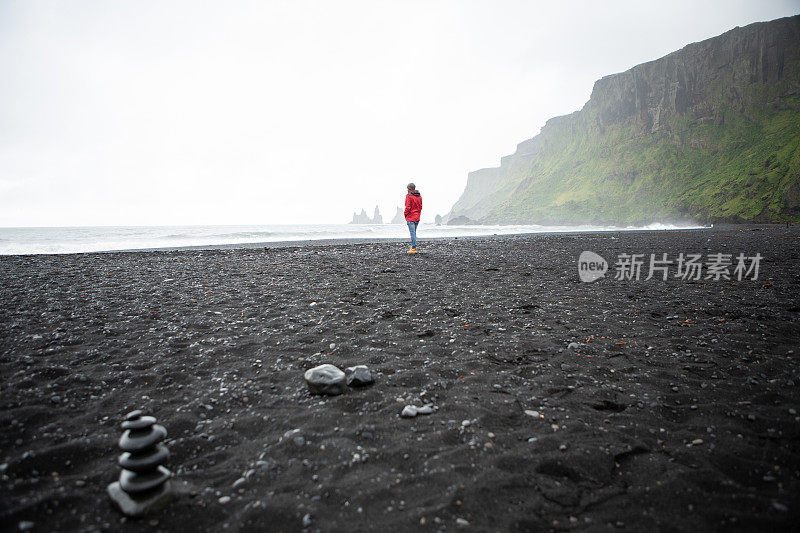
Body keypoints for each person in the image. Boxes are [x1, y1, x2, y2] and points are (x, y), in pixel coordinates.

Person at [404, 183, 422, 254]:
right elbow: (420, 207)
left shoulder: (408, 196)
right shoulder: (419, 196)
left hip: (410, 217)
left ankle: (414, 248)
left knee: (412, 233)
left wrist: (405, 214)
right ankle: (413, 246)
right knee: (414, 233)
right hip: (417, 217)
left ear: (409, 189)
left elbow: (408, 207)